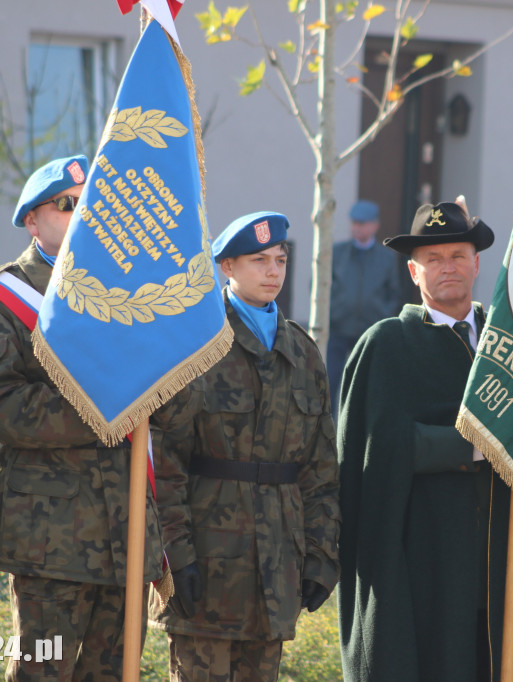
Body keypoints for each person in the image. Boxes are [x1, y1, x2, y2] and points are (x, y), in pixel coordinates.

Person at [338, 199, 513, 682]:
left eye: (457, 255)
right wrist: (473, 446)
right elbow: (374, 452)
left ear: (477, 263)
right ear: (413, 271)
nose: (446, 267)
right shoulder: (387, 345)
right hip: (427, 560)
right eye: (433, 259)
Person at [0, 156, 166, 681]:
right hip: (49, 539)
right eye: (67, 205)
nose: (83, 215)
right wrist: (102, 410)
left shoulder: (127, 295)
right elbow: (1, 407)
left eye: (93, 204)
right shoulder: (2, 296)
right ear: (32, 220)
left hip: (126, 534)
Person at [148, 211, 340, 682]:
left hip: (277, 568)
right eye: (259, 260)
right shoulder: (196, 342)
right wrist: (175, 557)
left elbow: (319, 466)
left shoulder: (302, 351)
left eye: (280, 259)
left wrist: (321, 555)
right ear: (227, 267)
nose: (274, 271)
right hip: (207, 565)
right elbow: (164, 461)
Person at [327, 199, 400, 408]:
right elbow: (320, 285)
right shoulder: (337, 253)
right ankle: (328, 430)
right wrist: (333, 311)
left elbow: (393, 292)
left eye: (361, 223)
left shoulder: (386, 258)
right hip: (338, 328)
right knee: (331, 380)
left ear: (374, 225)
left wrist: (381, 315)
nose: (356, 228)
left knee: (366, 382)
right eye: (354, 223)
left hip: (369, 330)